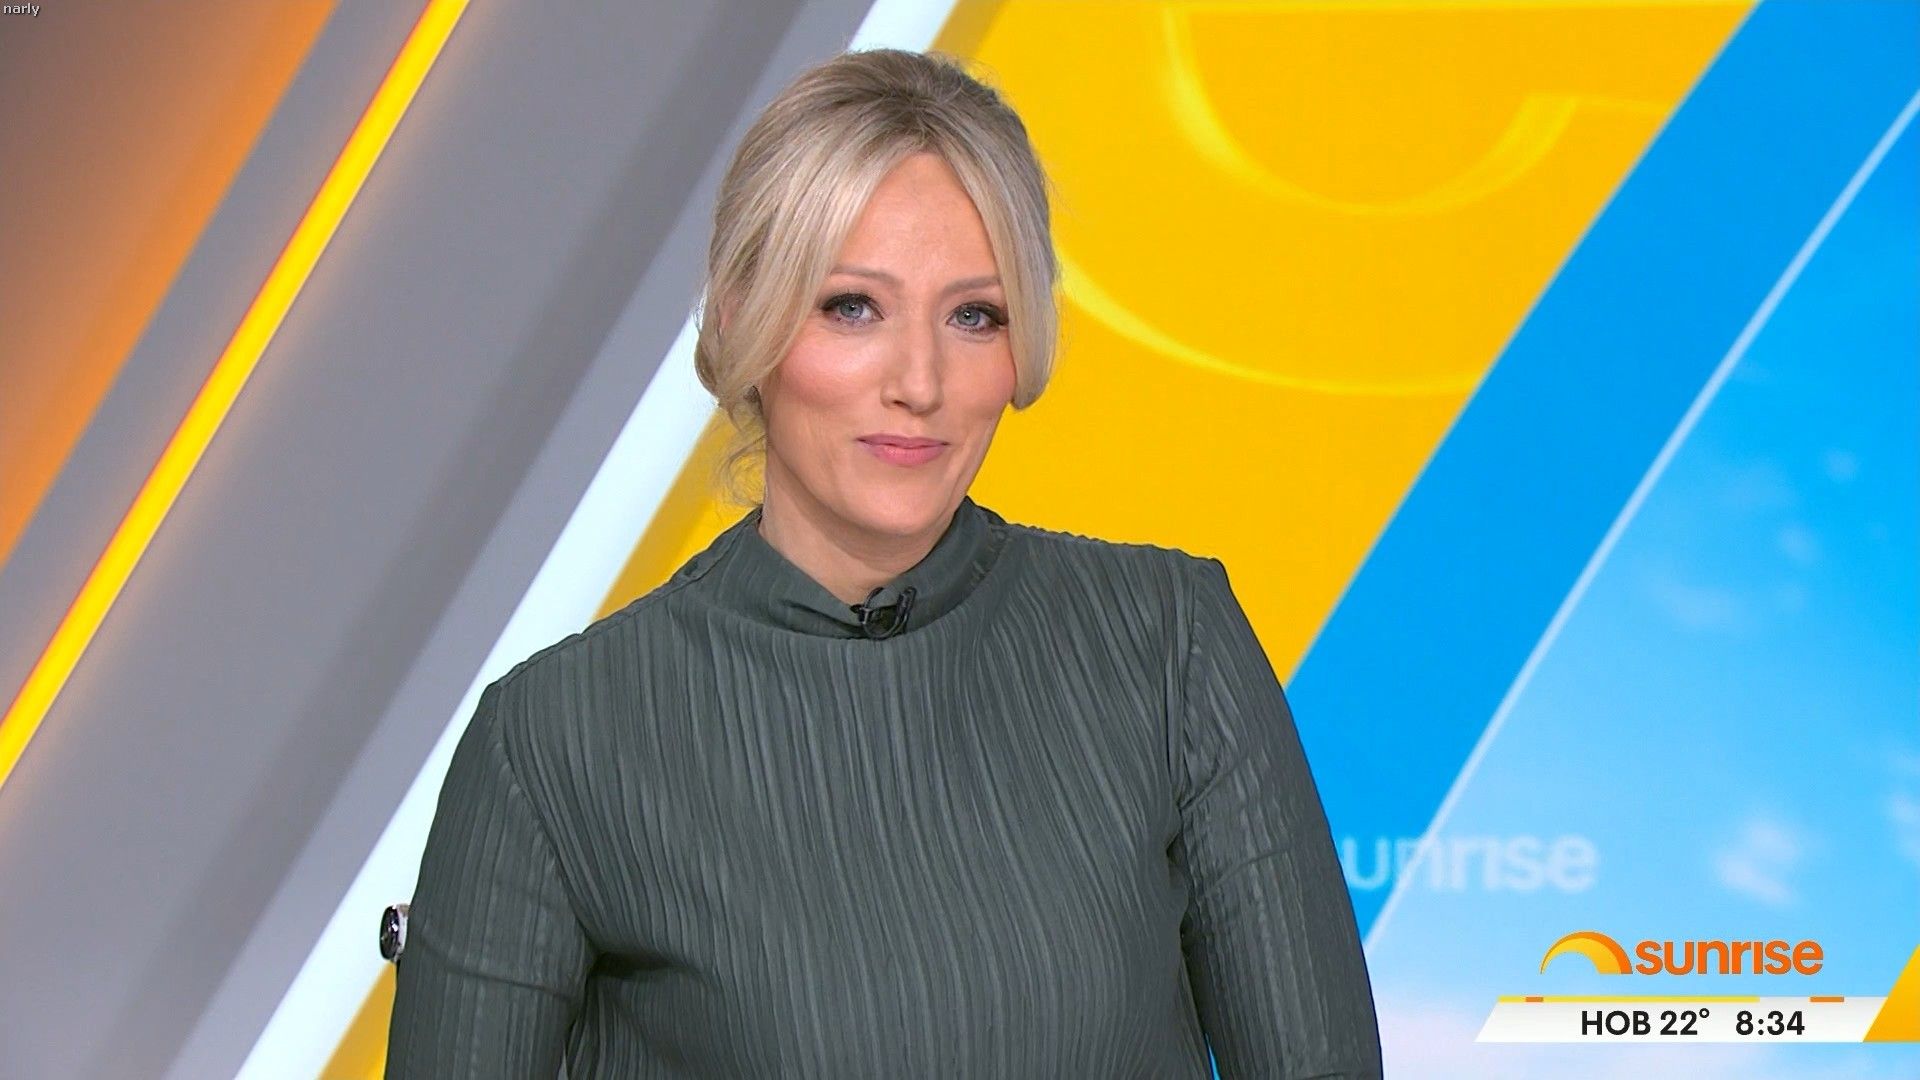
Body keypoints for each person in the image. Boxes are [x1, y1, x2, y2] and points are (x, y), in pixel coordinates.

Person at [386, 46, 1381, 1079]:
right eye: (852, 306)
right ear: (740, 316)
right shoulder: (556, 736)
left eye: (974, 316)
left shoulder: (1168, 642)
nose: (921, 381)